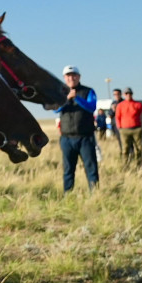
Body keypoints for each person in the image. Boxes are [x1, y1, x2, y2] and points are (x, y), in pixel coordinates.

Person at [54, 65, 98, 193]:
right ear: (64, 78)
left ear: (79, 77)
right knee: (68, 169)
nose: (71, 78)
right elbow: (55, 109)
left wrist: (77, 98)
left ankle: (94, 193)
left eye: (74, 75)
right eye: (68, 76)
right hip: (67, 138)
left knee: (91, 167)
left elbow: (92, 107)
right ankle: (68, 194)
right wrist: (67, 99)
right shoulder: (60, 93)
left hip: (85, 137)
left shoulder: (88, 91)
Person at [115, 88, 142, 168]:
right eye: (127, 93)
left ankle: (139, 164)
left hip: (137, 129)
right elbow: (117, 117)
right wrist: (119, 127)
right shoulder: (120, 105)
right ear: (124, 95)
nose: (128, 95)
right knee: (125, 149)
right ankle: (125, 165)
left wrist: (141, 127)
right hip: (124, 130)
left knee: (139, 148)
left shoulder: (138, 104)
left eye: (130, 93)